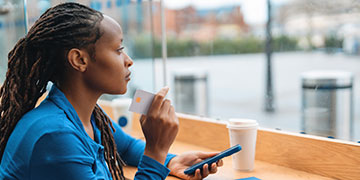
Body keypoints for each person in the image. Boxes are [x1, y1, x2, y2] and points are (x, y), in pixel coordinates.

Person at [0, 2, 223, 180]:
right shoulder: (55, 136)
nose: (129, 61)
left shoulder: (88, 115)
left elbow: (127, 147)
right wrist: (156, 150)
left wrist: (171, 161)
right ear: (79, 59)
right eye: (118, 50)